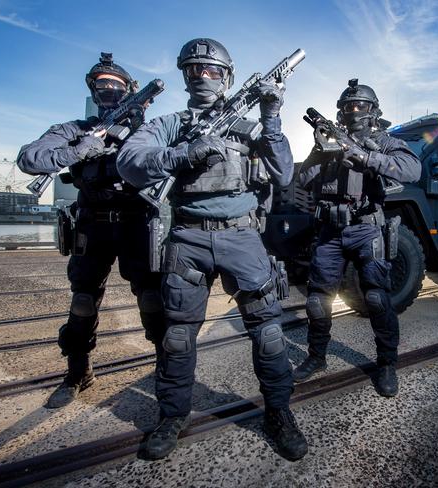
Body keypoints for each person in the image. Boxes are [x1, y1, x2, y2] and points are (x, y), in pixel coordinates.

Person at [116, 38, 307, 461]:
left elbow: (284, 170)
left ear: (227, 76)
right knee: (178, 338)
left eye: (212, 70)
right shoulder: (171, 124)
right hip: (187, 237)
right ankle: (171, 416)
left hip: (242, 236)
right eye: (194, 70)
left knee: (270, 333)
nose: (203, 76)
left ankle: (279, 411)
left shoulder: (249, 126)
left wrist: (272, 117)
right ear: (185, 76)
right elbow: (129, 161)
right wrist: (184, 153)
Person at [17, 53, 165, 408]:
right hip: (92, 223)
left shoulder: (147, 132)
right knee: (83, 301)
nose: (109, 90)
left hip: (136, 222)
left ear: (130, 90)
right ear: (93, 91)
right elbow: (29, 158)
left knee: (152, 298)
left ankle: (167, 370)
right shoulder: (76, 129)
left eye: (116, 85)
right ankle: (78, 373)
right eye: (101, 85)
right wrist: (82, 148)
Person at [293, 79, 421, 396]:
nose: (353, 111)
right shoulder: (327, 142)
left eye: (360, 105)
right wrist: (324, 152)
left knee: (377, 297)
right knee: (317, 299)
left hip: (366, 228)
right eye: (348, 106)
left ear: (372, 111)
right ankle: (317, 357)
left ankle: (387, 363)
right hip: (330, 232)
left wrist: (364, 157)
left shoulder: (383, 141)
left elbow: (412, 169)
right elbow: (304, 180)